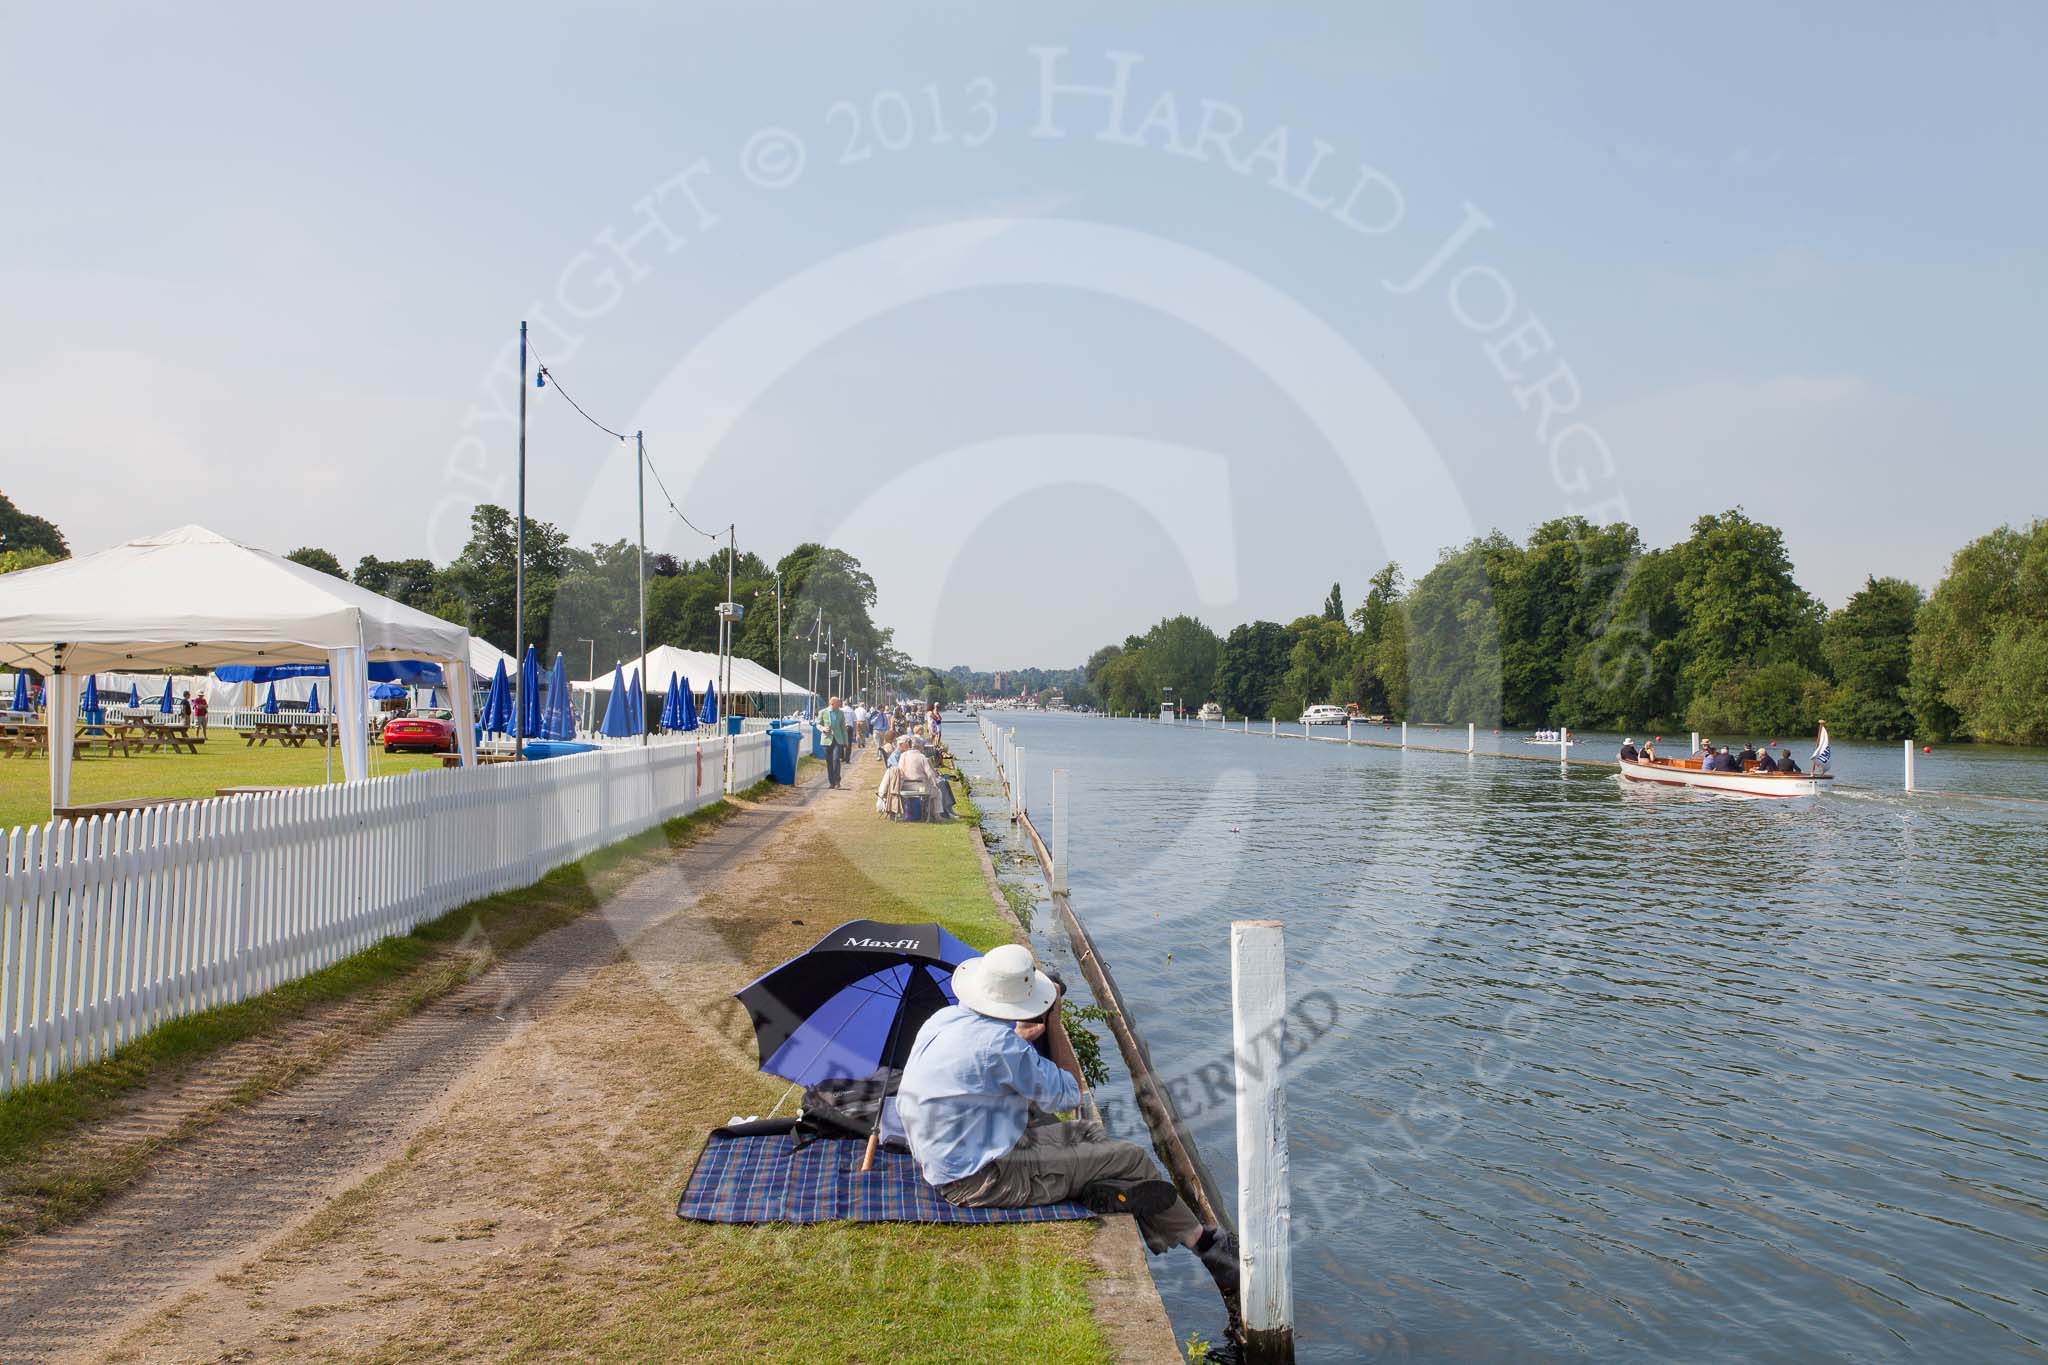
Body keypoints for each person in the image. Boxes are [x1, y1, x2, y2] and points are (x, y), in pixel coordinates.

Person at [899, 944, 1240, 1300]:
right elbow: (1069, 1095)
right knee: (1132, 1158)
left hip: (951, 1159)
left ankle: (1110, 1191)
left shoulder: (943, 1020)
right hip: (983, 1179)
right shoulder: (1002, 1048)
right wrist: (1055, 1023)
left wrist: (1018, 1038)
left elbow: (984, 1060)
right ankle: (1209, 1250)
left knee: (1088, 1132)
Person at [818, 695, 849, 789]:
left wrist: (846, 741)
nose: (839, 705)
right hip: (826, 740)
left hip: (837, 739)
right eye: (838, 704)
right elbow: (818, 723)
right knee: (829, 761)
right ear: (832, 704)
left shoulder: (841, 713)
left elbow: (843, 728)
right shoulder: (823, 712)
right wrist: (823, 728)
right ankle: (831, 782)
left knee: (836, 760)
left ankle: (837, 781)